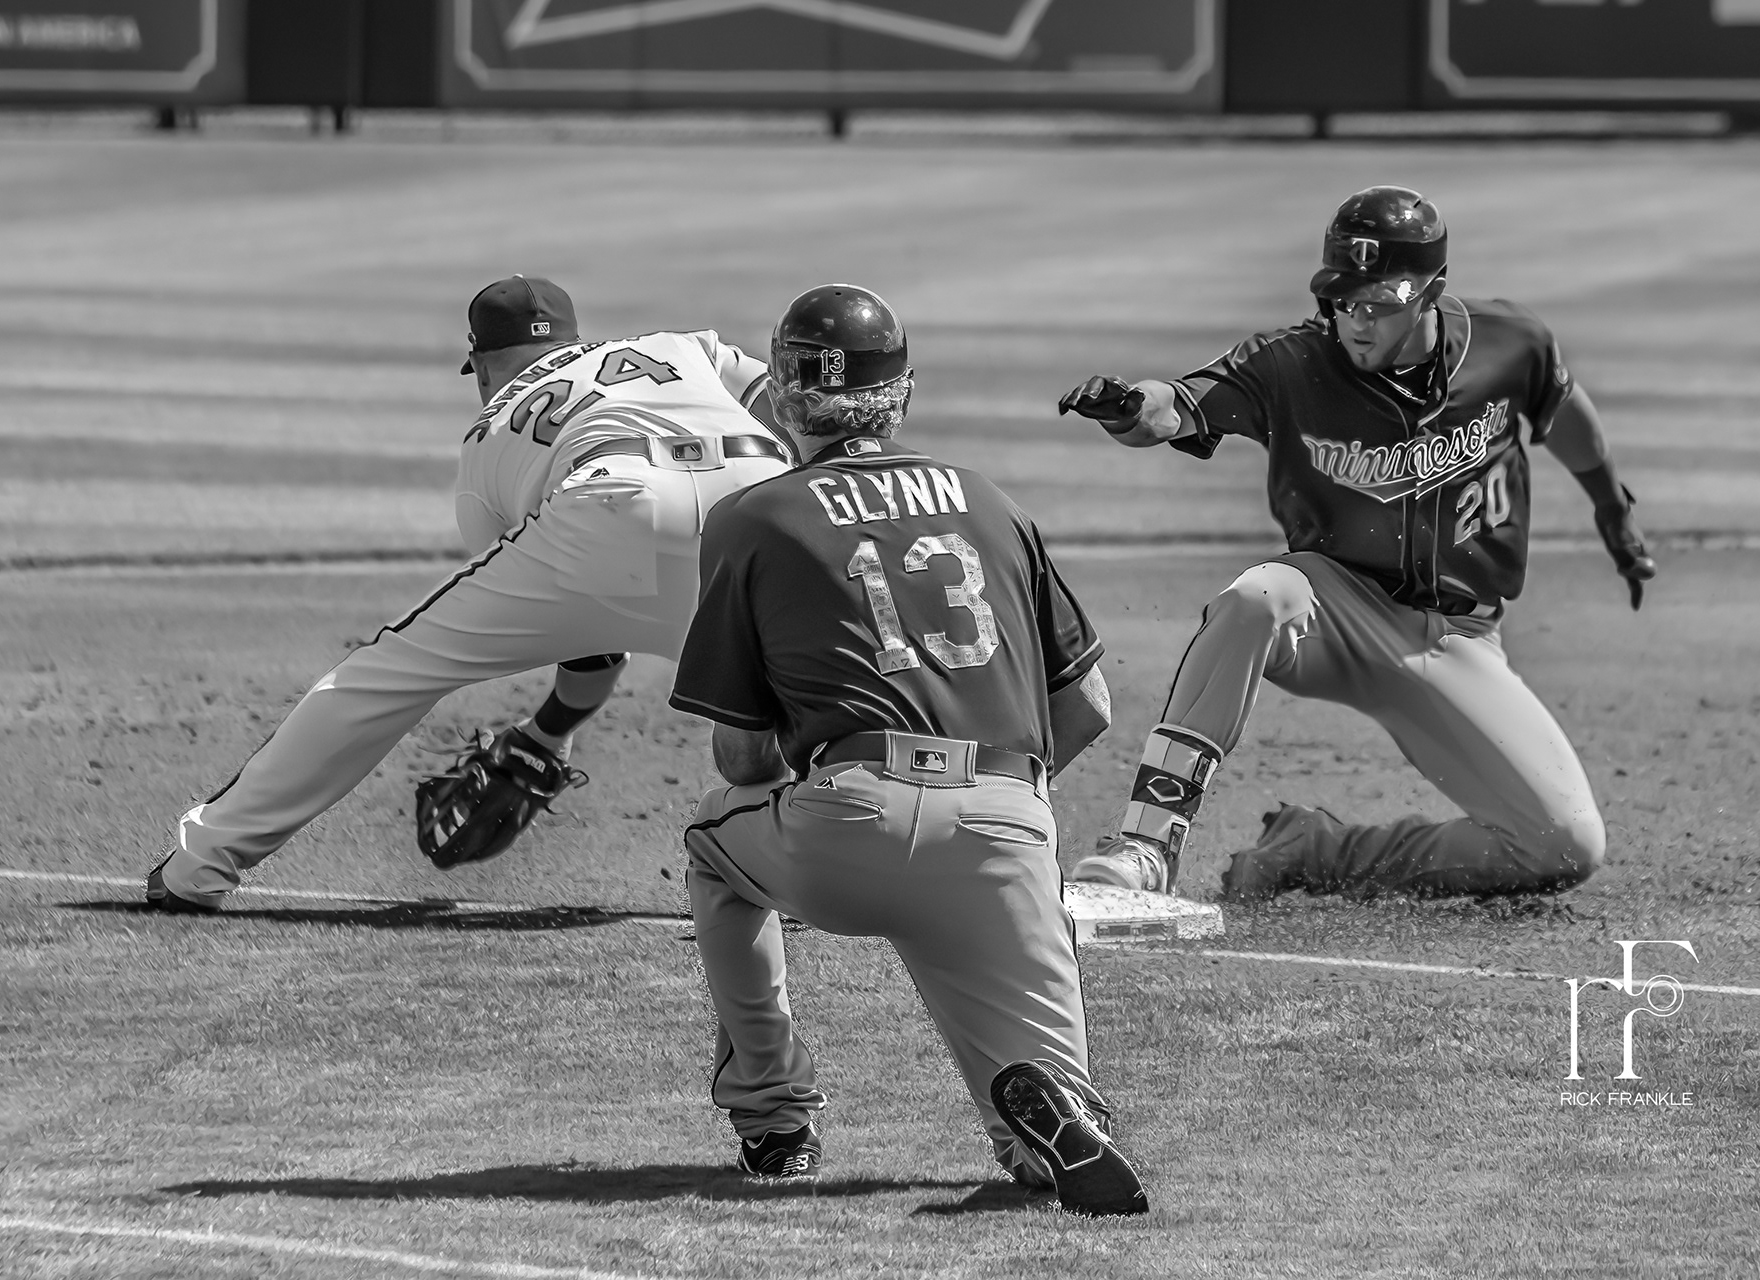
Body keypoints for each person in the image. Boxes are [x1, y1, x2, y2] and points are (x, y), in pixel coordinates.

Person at [670, 284, 1147, 1216]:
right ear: (903, 394)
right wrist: (988, 806)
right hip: (1005, 825)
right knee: (1043, 1142)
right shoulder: (991, 503)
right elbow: (1089, 706)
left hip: (849, 822)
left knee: (714, 845)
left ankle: (775, 1120)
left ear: (782, 398)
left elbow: (743, 761)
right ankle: (1046, 1121)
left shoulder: (752, 519)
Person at [1059, 186, 1657, 902]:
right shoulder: (1289, 363)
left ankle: (1316, 851)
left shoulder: (1508, 342)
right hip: (1332, 611)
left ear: (1431, 290)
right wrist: (1130, 408)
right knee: (1257, 596)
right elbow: (1177, 408)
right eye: (1344, 300)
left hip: (1456, 639)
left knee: (1564, 846)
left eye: (1380, 302)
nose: (1358, 320)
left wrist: (1612, 508)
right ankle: (1147, 845)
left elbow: (1563, 409)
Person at [148, 275, 792, 910]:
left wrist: (547, 735)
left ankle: (201, 863)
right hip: (760, 502)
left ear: (482, 365)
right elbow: (794, 404)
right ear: (575, 341)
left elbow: (589, 637)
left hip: (608, 499)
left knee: (388, 672)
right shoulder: (684, 346)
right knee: (793, 696)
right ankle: (809, 855)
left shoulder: (488, 436)